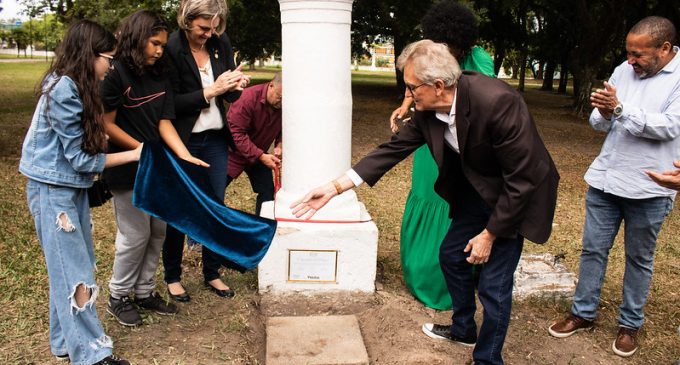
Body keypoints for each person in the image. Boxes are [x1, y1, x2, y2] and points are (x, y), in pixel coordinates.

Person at [292, 40, 559, 365]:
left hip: (517, 196)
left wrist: (489, 234)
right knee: (450, 255)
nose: (407, 94)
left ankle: (488, 359)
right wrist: (334, 188)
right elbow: (390, 151)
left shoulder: (498, 101)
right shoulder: (427, 111)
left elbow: (522, 179)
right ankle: (463, 329)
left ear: (437, 85)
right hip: (478, 191)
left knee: (493, 284)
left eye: (410, 86)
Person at [548, 16, 679, 358]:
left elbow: (668, 127)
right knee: (592, 250)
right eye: (628, 53)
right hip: (606, 180)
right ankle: (583, 312)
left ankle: (629, 324)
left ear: (664, 49)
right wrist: (606, 113)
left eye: (639, 54)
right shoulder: (623, 70)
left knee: (639, 258)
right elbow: (599, 122)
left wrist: (620, 110)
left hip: (650, 187)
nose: (631, 61)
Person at [19, 20, 136, 365]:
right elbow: (82, 160)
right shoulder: (63, 89)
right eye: (108, 59)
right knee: (74, 273)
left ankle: (65, 344)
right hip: (53, 192)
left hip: (68, 190)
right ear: (89, 54)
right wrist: (133, 153)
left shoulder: (71, 85)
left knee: (70, 268)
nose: (110, 67)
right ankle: (91, 355)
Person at [101, 10, 208, 327]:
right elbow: (106, 125)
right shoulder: (115, 74)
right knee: (135, 235)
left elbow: (164, 121)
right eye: (154, 43)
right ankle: (118, 296)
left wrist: (183, 154)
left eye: (162, 45)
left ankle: (145, 291)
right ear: (137, 39)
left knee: (158, 232)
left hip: (158, 165)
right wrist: (139, 149)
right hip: (126, 167)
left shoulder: (161, 72)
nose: (159, 50)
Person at [390, 1, 495, 311]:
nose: (444, 50)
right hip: (430, 139)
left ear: (465, 44)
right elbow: (416, 81)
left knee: (455, 204)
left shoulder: (480, 62)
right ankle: (422, 272)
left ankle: (454, 278)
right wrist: (405, 105)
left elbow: (481, 104)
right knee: (428, 195)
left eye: (451, 46)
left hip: (462, 144)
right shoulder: (430, 53)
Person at [163, 0, 250, 302]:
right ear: (187, 21)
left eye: (214, 28)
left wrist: (237, 84)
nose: (208, 34)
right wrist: (210, 91)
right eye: (203, 28)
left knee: (215, 205)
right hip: (183, 140)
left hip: (214, 139)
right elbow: (169, 103)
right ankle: (172, 276)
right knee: (180, 207)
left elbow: (230, 91)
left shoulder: (219, 42)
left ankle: (212, 272)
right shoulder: (172, 48)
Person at [226, 72, 283, 215]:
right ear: (271, 85)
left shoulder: (284, 105)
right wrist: (261, 156)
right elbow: (236, 134)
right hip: (232, 153)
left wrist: (280, 144)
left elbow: (286, 127)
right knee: (214, 192)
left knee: (268, 194)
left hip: (259, 154)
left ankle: (262, 227)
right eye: (280, 97)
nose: (282, 103)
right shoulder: (246, 99)